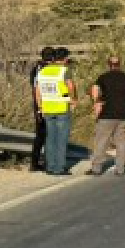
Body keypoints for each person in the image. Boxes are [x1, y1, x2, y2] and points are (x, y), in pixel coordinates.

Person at [88, 55, 125, 176]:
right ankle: (120, 169)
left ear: (109, 64)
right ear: (120, 64)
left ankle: (96, 169)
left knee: (101, 142)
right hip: (122, 114)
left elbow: (94, 89)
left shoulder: (103, 77)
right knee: (121, 143)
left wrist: (96, 101)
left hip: (106, 114)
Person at [34, 47, 76, 176]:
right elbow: (70, 86)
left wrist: (40, 107)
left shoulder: (42, 72)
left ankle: (50, 166)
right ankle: (59, 167)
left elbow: (37, 90)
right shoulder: (64, 70)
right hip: (62, 107)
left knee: (50, 138)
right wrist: (73, 99)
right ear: (65, 59)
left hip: (47, 108)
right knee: (61, 139)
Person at [28, 47, 53, 171]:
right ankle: (47, 162)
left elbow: (33, 86)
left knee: (40, 134)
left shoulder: (36, 68)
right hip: (46, 103)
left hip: (37, 103)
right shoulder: (47, 69)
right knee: (49, 134)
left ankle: (35, 162)